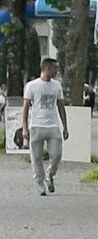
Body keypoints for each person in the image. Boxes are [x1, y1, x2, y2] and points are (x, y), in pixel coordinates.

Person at [22, 58, 69, 196]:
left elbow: (61, 106)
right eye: (54, 68)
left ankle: (50, 173)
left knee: (57, 154)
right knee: (36, 157)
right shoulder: (32, 85)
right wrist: (24, 127)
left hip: (53, 125)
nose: (56, 71)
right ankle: (40, 182)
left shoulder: (57, 86)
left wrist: (65, 126)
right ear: (47, 68)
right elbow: (25, 108)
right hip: (36, 125)